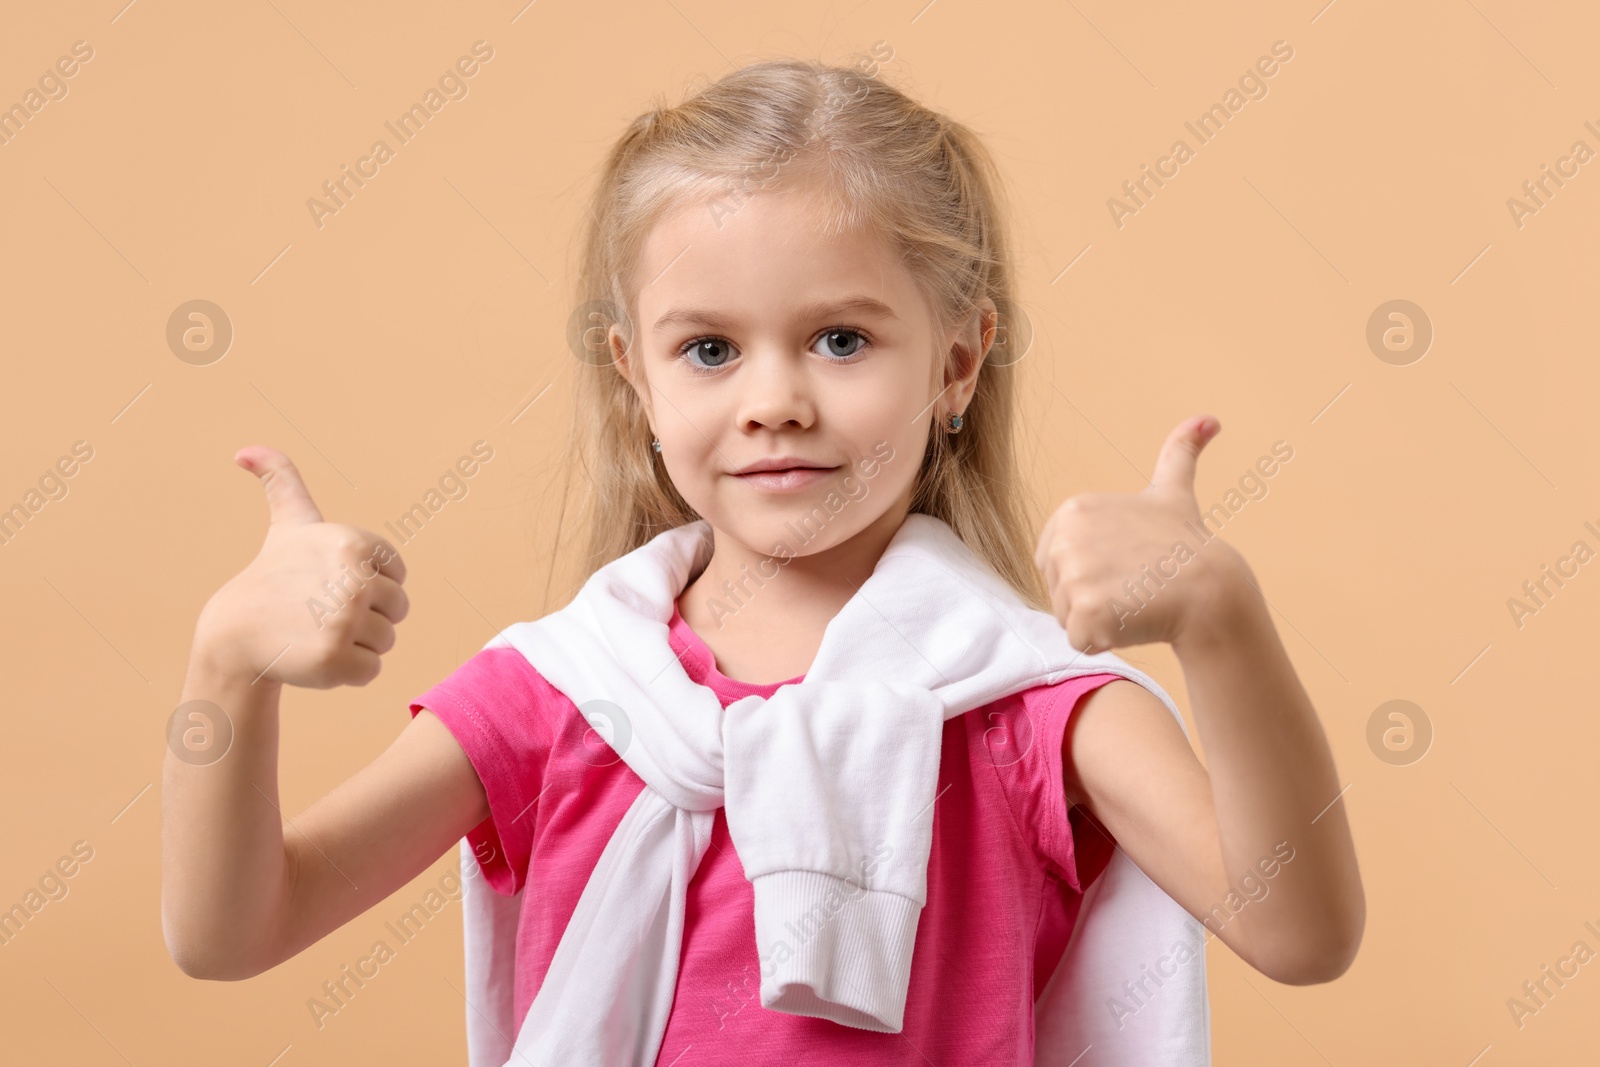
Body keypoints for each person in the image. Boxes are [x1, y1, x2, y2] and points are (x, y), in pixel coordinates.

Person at [161, 58, 1363, 1064]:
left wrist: (1221, 622)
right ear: (632, 376)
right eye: (709, 350)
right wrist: (226, 670)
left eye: (840, 339)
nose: (775, 400)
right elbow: (235, 928)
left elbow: (1300, 932)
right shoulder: (569, 694)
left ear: (956, 362)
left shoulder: (1018, 705)